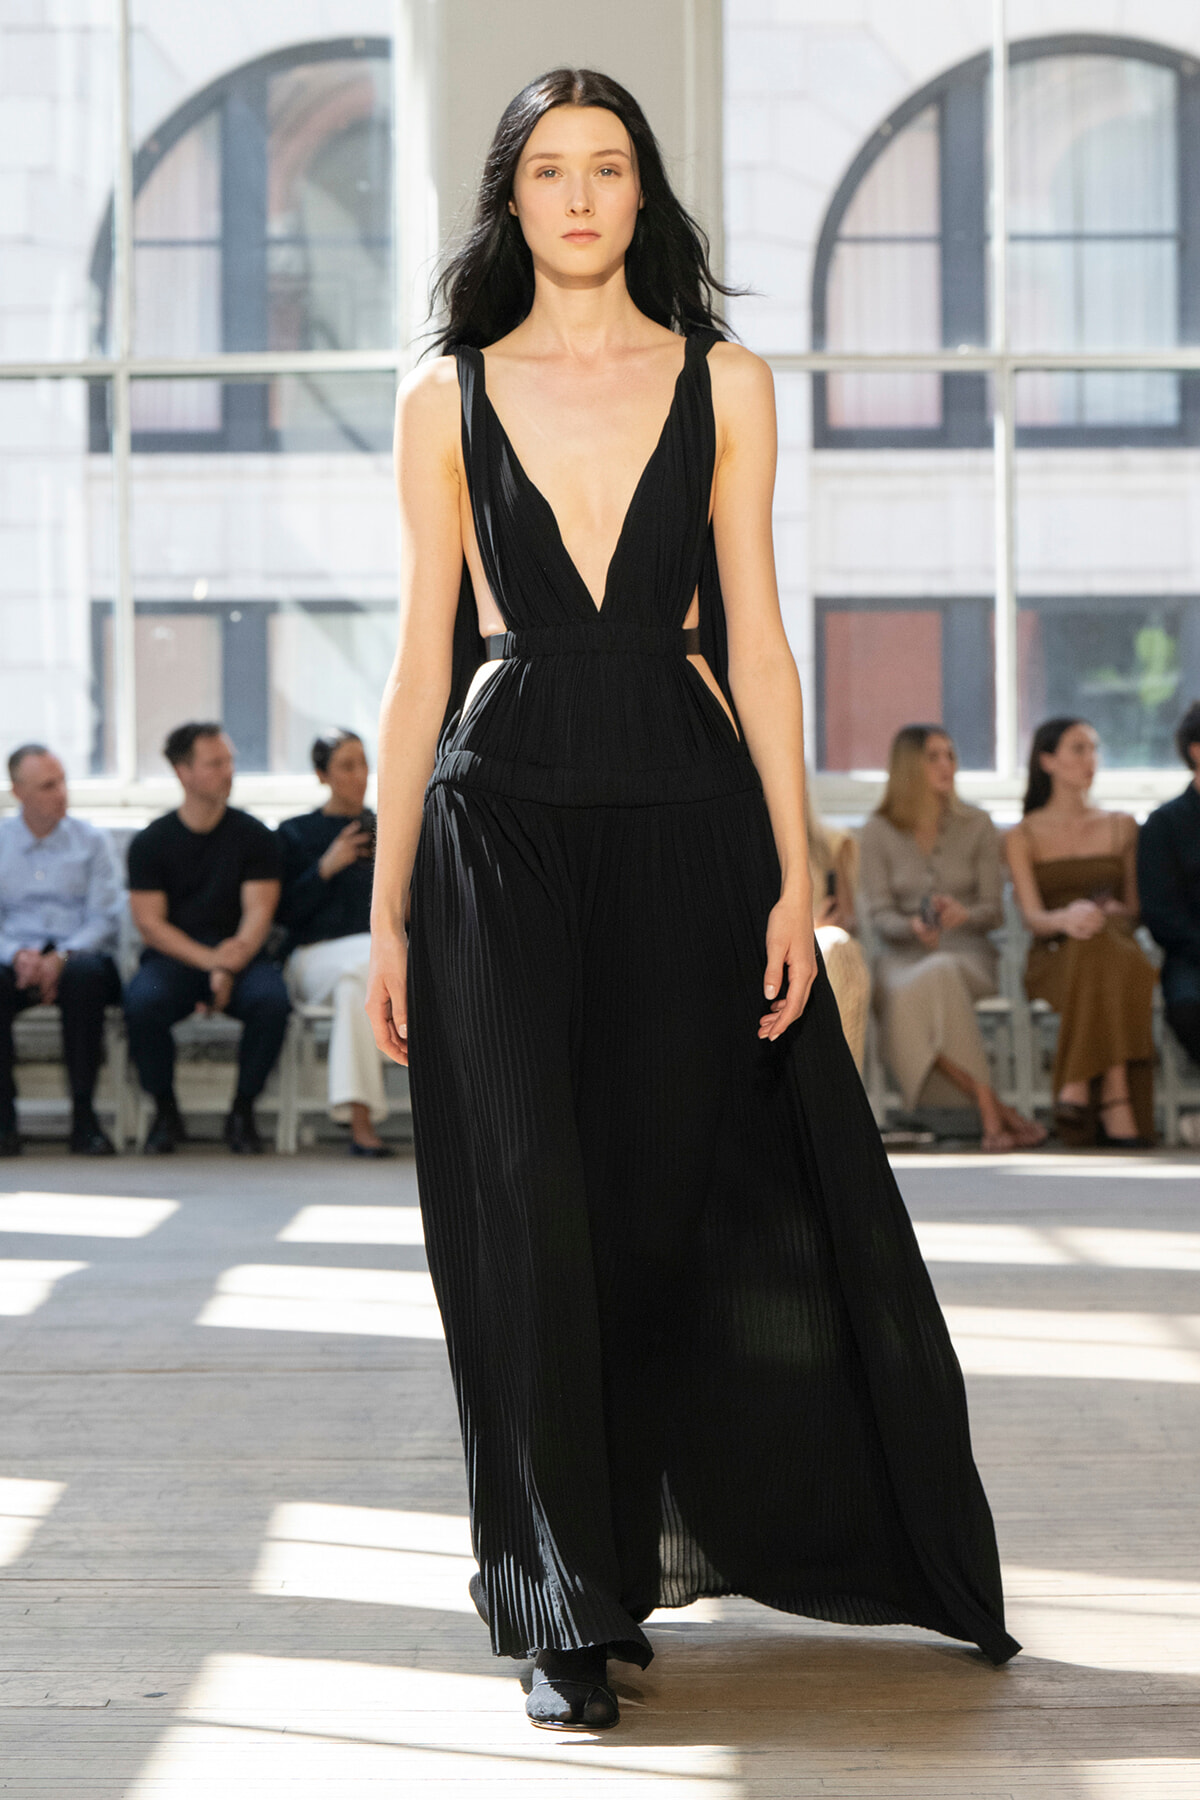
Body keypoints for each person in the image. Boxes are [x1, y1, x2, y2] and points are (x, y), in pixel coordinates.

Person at [367, 69, 1019, 1732]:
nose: (580, 196)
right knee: (527, 1206)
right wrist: (385, 912)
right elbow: (421, 663)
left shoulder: (727, 380)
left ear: (642, 195)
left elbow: (762, 641)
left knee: (659, 1207)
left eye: (608, 168)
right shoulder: (443, 394)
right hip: (496, 826)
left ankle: (623, 1557)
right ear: (512, 200)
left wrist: (798, 874)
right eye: (549, 171)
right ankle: (558, 1603)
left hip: (687, 809)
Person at [859, 725, 1045, 1151]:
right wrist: (912, 927)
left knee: (938, 973)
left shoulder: (977, 824)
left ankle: (992, 1116)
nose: (947, 766)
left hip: (969, 956)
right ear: (908, 767)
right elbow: (880, 916)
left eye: (951, 755)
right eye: (934, 757)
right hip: (901, 959)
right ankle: (996, 1111)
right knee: (916, 986)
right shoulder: (877, 831)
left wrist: (963, 915)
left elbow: (994, 911)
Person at [124, 723, 289, 1155]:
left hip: (242, 953)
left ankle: (243, 1110)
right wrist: (213, 964)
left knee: (272, 1001)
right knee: (142, 1004)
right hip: (176, 957)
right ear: (183, 772)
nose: (228, 771)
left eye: (229, 761)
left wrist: (231, 963)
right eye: (215, 763)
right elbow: (151, 925)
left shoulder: (255, 835)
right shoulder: (151, 842)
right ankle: (165, 1111)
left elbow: (259, 912)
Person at [1006, 717, 1157, 1148]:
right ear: (1047, 760)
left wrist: (1106, 913)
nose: (1090, 759)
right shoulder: (1022, 834)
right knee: (1098, 949)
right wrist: (1066, 918)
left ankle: (1077, 1084)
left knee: (1104, 941)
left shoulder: (1122, 825)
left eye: (1094, 749)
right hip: (1054, 954)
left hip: (1114, 943)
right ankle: (1114, 1092)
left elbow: (1134, 910)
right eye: (1078, 749)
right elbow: (1033, 917)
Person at [0, 744, 123, 1156]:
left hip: (79, 955)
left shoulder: (92, 841)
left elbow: (106, 918)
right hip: (17, 957)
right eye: (47, 786)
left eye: (63, 782)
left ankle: (84, 1117)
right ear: (18, 792)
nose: (61, 793)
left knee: (85, 978)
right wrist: (16, 955)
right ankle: (3, 1120)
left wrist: (62, 957)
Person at [278, 729, 392, 1157]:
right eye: (346, 766)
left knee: (356, 980)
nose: (359, 775)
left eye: (363, 763)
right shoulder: (294, 833)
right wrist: (326, 867)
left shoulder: (389, 828)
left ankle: (360, 1119)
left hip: (371, 959)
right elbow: (283, 915)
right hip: (314, 957)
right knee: (360, 972)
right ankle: (359, 1120)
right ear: (322, 775)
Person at [1139, 701, 1200, 1086]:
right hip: (1191, 956)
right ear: (1196, 751)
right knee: (1189, 1008)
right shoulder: (1164, 824)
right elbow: (1161, 913)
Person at [805, 774, 869, 1069]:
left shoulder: (831, 843)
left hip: (823, 949)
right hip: (764, 951)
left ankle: (838, 1082)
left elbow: (848, 920)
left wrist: (822, 928)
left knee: (841, 949)